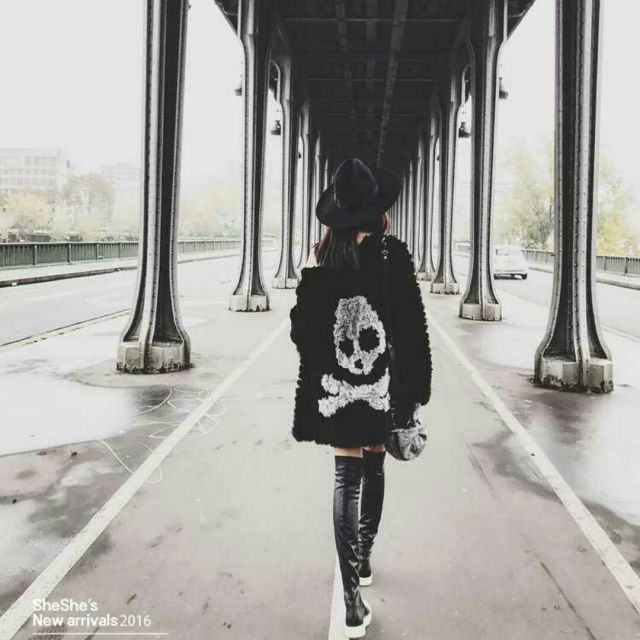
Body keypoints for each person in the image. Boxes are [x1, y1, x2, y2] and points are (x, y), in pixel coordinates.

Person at [289, 157, 432, 639]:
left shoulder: (324, 257)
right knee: (374, 466)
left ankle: (352, 602)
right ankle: (365, 557)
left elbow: (303, 335)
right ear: (377, 210)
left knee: (344, 478)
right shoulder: (393, 254)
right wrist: (414, 392)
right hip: (381, 387)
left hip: (335, 389)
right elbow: (412, 330)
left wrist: (311, 284)